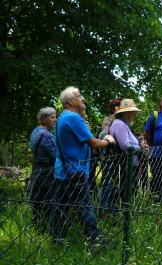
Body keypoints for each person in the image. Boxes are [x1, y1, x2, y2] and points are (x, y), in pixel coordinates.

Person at [50, 86, 116, 247]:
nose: (83, 99)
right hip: (75, 171)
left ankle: (56, 240)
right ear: (70, 101)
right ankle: (97, 243)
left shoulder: (63, 117)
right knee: (84, 208)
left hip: (62, 170)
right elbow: (93, 142)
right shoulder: (73, 118)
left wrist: (83, 110)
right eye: (80, 96)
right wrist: (108, 141)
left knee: (60, 207)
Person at [107, 99, 148, 208]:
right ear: (127, 112)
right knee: (123, 193)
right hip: (124, 166)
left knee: (127, 192)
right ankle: (121, 216)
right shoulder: (120, 124)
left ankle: (123, 214)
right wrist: (140, 147)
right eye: (133, 112)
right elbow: (125, 146)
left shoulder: (123, 124)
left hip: (128, 165)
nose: (135, 114)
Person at [29, 107, 57, 232]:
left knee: (37, 200)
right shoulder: (47, 136)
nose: (55, 120)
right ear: (44, 119)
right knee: (49, 201)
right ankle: (46, 229)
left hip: (37, 169)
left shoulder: (35, 131)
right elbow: (55, 156)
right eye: (52, 117)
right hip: (47, 172)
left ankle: (36, 225)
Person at [98, 98, 123, 216]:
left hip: (118, 158)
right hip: (108, 156)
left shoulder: (123, 120)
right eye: (119, 106)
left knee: (115, 186)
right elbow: (106, 135)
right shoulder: (107, 120)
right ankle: (103, 211)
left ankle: (112, 208)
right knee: (107, 185)